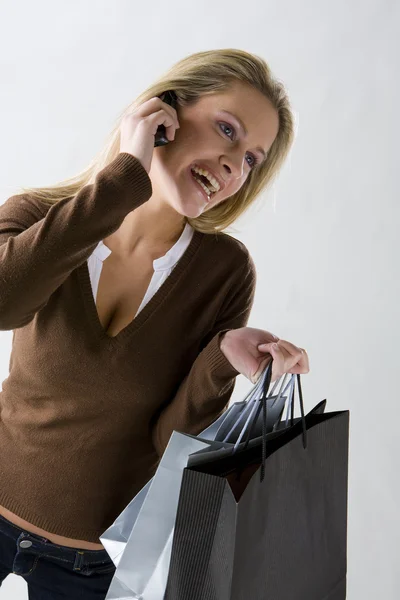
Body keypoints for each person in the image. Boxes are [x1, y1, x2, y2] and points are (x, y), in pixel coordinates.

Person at [0, 48, 309, 598]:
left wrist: (221, 361)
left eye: (252, 160)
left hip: (91, 573)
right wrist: (125, 176)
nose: (234, 164)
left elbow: (171, 446)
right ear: (163, 113)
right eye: (227, 130)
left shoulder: (224, 272)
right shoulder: (37, 217)